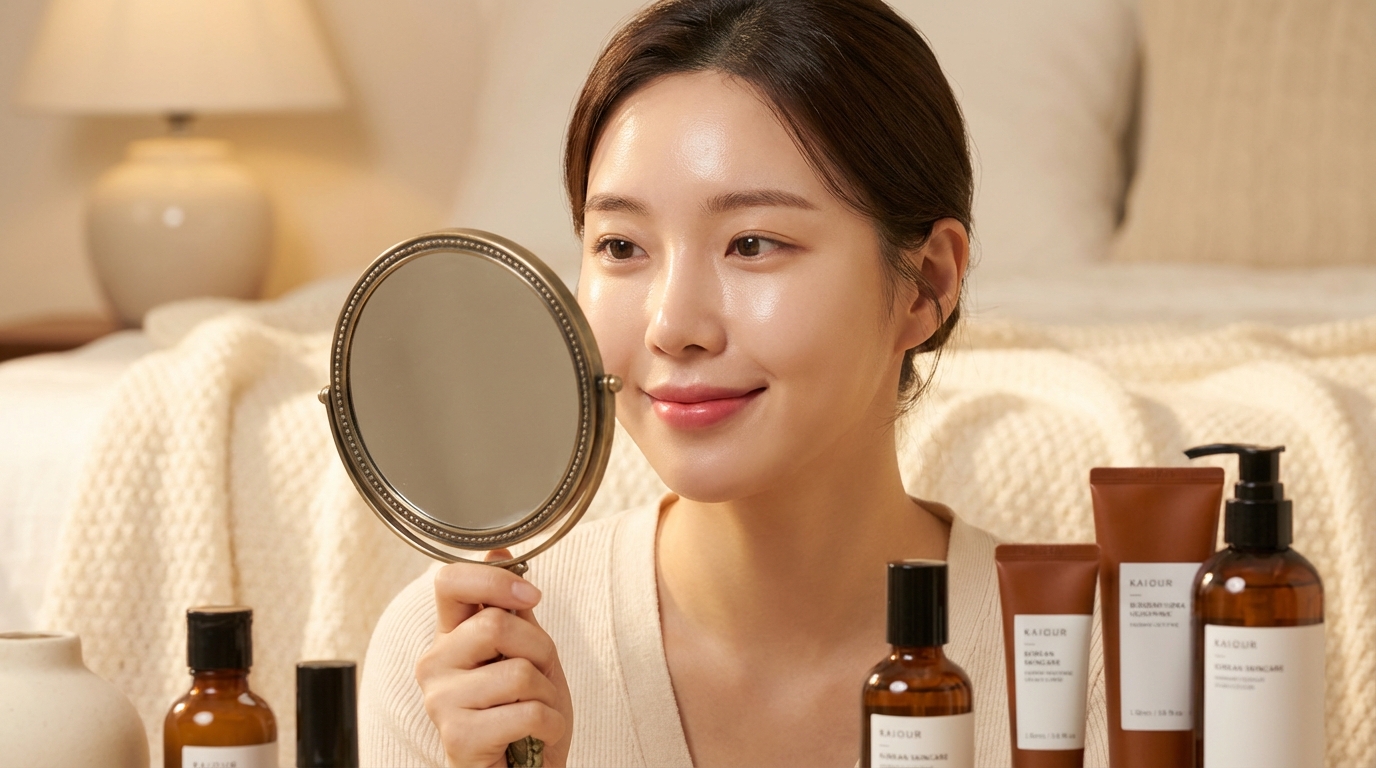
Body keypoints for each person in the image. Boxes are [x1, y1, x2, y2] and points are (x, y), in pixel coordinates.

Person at [359, 1, 1109, 766]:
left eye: (752, 243)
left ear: (926, 284)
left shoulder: (1090, 670)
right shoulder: (462, 665)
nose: (672, 323)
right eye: (620, 245)